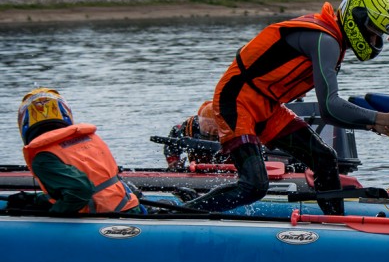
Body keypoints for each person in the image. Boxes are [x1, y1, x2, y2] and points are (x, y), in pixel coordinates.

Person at [183, 0, 389, 214]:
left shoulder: (331, 40)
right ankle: (183, 213)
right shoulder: (326, 40)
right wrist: (381, 118)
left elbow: (329, 109)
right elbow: (330, 108)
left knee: (324, 158)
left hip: (267, 106)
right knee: (254, 186)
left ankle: (334, 223)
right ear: (357, 20)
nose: (376, 39)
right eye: (373, 31)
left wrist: (372, 123)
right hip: (236, 100)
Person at [6, 88, 143, 215]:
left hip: (103, 217)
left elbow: (80, 191)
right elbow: (95, 183)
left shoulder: (43, 158)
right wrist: (35, 199)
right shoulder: (89, 138)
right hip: (129, 207)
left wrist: (53, 213)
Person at [163, 100, 225, 170]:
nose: (211, 130)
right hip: (198, 167)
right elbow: (171, 144)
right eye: (208, 125)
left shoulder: (237, 131)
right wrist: (173, 160)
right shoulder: (190, 127)